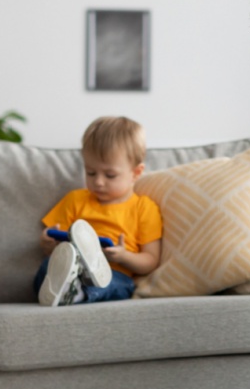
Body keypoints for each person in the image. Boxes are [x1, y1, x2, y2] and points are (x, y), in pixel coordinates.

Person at [35, 116, 163, 306]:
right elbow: (53, 248)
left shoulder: (144, 208)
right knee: (47, 267)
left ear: (135, 173)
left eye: (110, 175)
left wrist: (123, 256)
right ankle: (68, 291)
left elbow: (150, 261)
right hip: (74, 270)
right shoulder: (75, 200)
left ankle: (78, 294)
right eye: (91, 173)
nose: (98, 181)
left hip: (114, 273)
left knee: (116, 285)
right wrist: (47, 243)